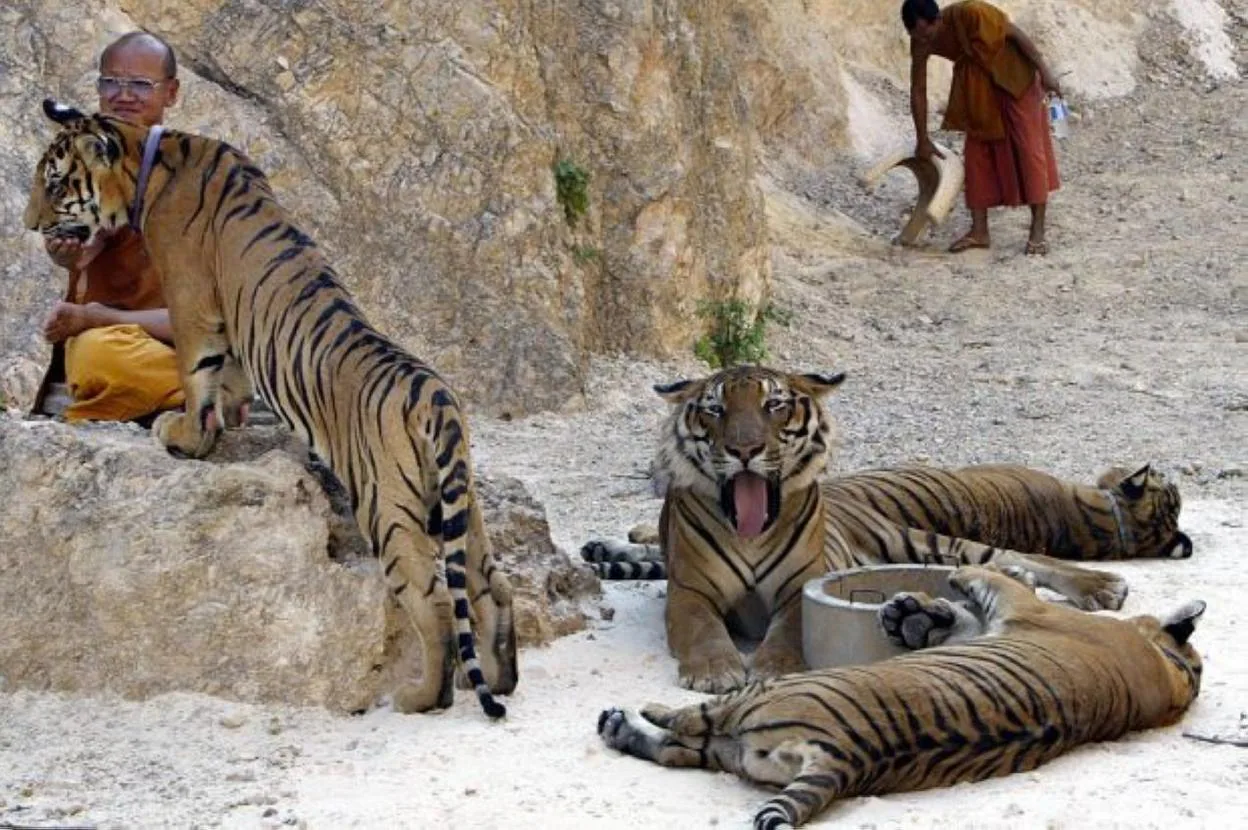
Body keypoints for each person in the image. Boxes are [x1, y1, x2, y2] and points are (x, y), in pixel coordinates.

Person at [32, 31, 185, 423]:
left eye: (140, 84)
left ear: (171, 93)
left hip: (181, 346)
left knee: (101, 355)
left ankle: (197, 392)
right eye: (111, 82)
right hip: (117, 346)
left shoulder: (192, 178)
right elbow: (86, 264)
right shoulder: (90, 161)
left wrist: (98, 318)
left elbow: (202, 319)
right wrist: (68, 258)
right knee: (91, 355)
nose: (124, 95)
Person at [902, 0, 1062, 255]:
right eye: (916, 35)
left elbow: (1016, 34)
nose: (923, 40)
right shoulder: (920, 41)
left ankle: (1038, 230)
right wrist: (923, 138)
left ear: (937, 21)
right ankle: (979, 231)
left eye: (927, 33)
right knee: (977, 156)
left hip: (1015, 77)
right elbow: (918, 88)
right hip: (979, 87)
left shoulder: (972, 12)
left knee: (1028, 150)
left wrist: (1045, 72)